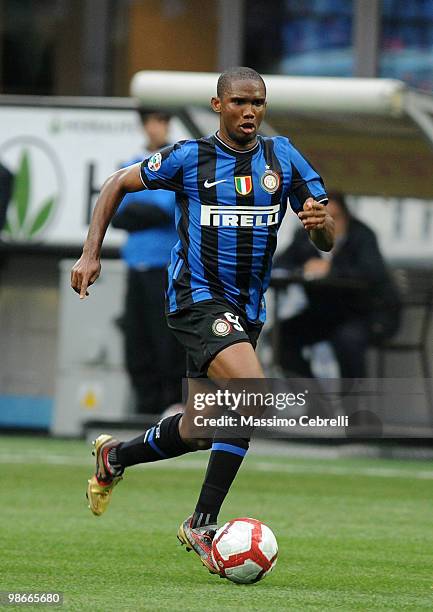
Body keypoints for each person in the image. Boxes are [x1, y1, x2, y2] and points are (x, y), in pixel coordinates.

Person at [71, 66, 334, 575]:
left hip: (247, 310)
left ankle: (115, 458)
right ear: (219, 106)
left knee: (201, 428)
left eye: (258, 102)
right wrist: (90, 253)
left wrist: (320, 229)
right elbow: (116, 184)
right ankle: (201, 522)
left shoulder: (285, 157)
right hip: (195, 300)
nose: (250, 111)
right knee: (252, 393)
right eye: (239, 102)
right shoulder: (190, 157)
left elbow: (322, 235)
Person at [274, 190, 400, 379]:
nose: (329, 224)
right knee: (282, 337)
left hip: (363, 314)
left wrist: (331, 269)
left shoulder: (362, 235)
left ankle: (354, 404)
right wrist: (303, 269)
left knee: (348, 340)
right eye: (322, 218)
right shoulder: (304, 237)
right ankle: (316, 401)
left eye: (335, 217)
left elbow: (372, 274)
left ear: (346, 216)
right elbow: (281, 265)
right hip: (324, 313)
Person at [111, 110, 184, 414]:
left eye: (162, 121)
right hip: (135, 265)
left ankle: (170, 405)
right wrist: (144, 209)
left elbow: (166, 210)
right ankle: (145, 406)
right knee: (136, 337)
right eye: (153, 121)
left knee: (165, 337)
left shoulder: (175, 164)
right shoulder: (128, 164)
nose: (157, 127)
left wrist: (137, 208)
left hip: (164, 267)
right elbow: (117, 214)